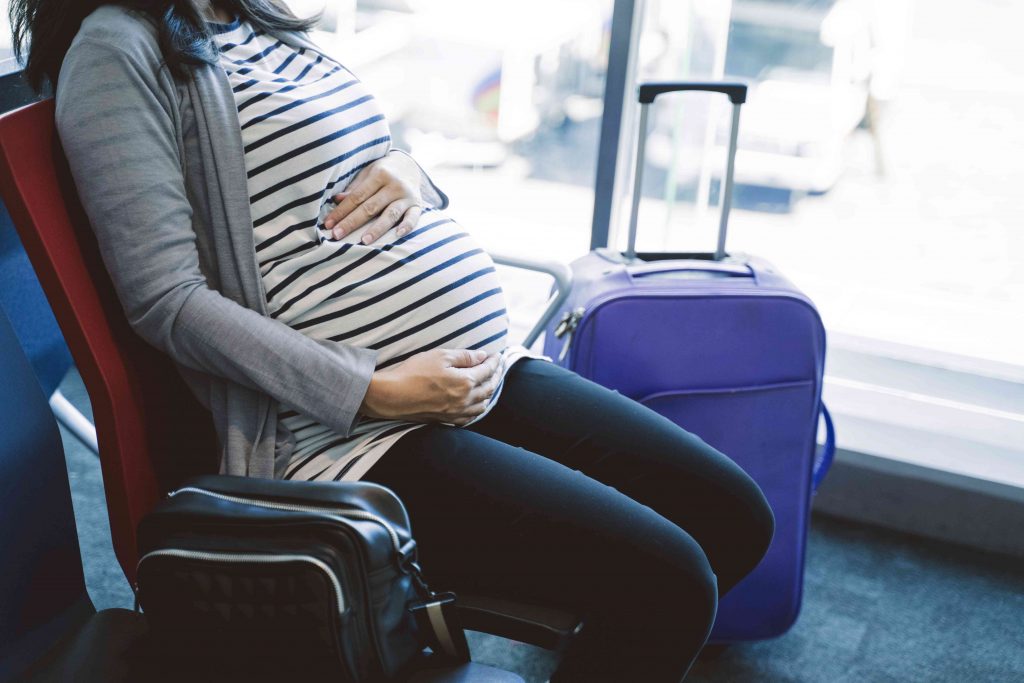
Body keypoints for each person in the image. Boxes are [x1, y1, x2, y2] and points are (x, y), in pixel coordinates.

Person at [11, 1, 775, 679]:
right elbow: (166, 301)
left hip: (482, 372)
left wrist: (414, 172)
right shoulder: (117, 50)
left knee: (734, 518)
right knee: (671, 583)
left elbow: (361, 152)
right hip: (350, 434)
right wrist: (373, 388)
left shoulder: (255, 15)